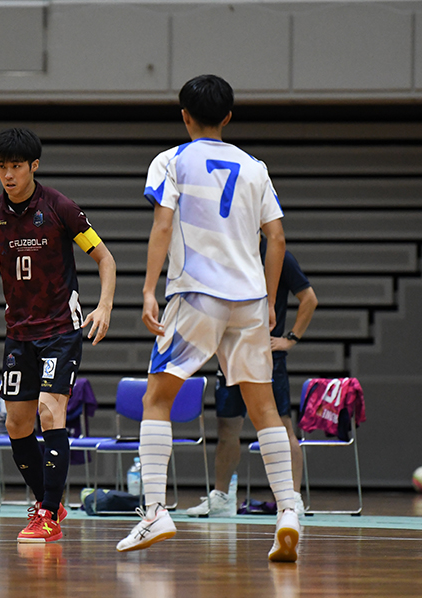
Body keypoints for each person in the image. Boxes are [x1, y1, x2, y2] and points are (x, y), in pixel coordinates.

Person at [115, 74, 299, 562]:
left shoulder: (171, 160)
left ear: (184, 116)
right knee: (265, 410)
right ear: (229, 117)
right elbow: (277, 239)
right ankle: (289, 510)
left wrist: (148, 288)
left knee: (157, 399)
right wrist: (270, 299)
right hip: (250, 300)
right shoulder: (255, 167)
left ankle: (155, 511)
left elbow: (163, 224)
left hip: (196, 294)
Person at [0, 127, 116, 543]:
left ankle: (48, 514)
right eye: (1, 167)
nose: (8, 174)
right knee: (16, 424)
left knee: (51, 411)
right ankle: (47, 500)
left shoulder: (60, 208)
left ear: (34, 165)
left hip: (60, 330)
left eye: (16, 166)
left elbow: (106, 259)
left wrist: (104, 305)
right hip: (18, 334)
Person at [187, 240, 317, 517]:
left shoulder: (279, 256)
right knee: (227, 428)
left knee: (282, 425)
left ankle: (292, 498)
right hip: (229, 354)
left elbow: (309, 298)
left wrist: (290, 338)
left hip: (266, 356)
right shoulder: (226, 254)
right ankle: (222, 498)